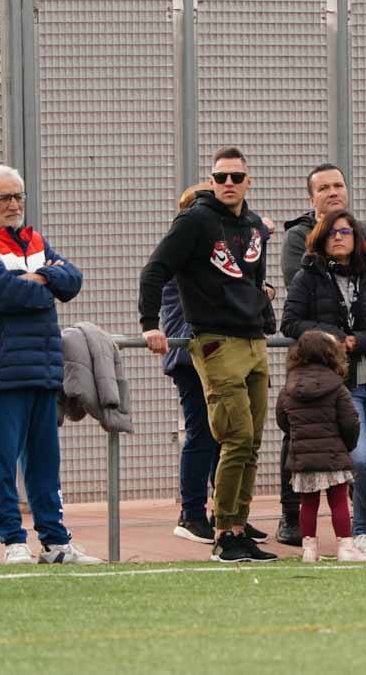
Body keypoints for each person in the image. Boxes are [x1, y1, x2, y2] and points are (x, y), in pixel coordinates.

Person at [0, 164, 98, 565]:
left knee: (45, 462)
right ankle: (13, 542)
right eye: (5, 198)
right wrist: (44, 283)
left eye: (18, 196)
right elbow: (3, 295)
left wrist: (41, 280)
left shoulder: (31, 239)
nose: (14, 204)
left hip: (40, 368)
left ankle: (56, 542)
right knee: (1, 462)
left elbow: (73, 278)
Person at [139, 148, 278, 563]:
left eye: (236, 176)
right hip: (216, 341)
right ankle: (223, 533)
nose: (229, 184)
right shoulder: (195, 220)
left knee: (251, 442)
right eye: (221, 177)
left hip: (253, 341)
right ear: (212, 181)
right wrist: (150, 323)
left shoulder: (253, 225)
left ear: (248, 181)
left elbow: (255, 278)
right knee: (232, 439)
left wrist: (262, 306)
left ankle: (238, 525)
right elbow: (155, 269)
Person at [276, 163, 366, 546]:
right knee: (343, 455)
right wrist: (335, 336)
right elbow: (298, 290)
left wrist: (358, 340)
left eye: (338, 185)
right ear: (311, 198)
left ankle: (361, 533)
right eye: (323, 187)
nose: (333, 192)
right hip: (321, 376)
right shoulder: (298, 238)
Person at [276, 331, 366, 563]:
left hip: (302, 456)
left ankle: (309, 550)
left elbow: (282, 420)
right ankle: (346, 549)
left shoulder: (289, 386)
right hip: (333, 453)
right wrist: (346, 445)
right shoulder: (337, 387)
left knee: (308, 503)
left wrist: (298, 436)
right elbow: (351, 421)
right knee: (338, 501)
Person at [161, 182, 219, 545]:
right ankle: (192, 513)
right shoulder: (182, 252)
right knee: (201, 433)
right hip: (190, 355)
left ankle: (225, 512)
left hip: (213, 353)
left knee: (224, 436)